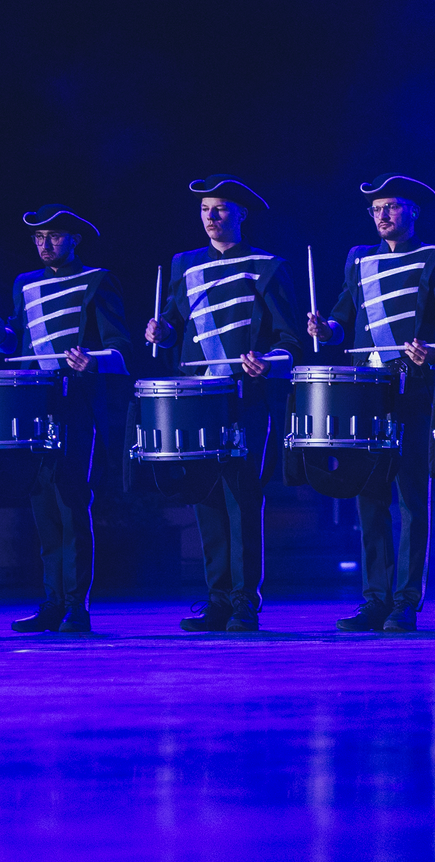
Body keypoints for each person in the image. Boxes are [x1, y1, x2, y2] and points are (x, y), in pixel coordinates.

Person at [143, 175, 304, 633]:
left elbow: (289, 340)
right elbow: (174, 326)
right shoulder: (184, 265)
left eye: (220, 209)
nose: (210, 217)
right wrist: (162, 332)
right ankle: (216, 600)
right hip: (196, 398)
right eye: (205, 210)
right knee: (204, 496)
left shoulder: (268, 266)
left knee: (241, 498)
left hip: (245, 396)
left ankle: (244, 602)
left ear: (241, 215)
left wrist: (268, 362)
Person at [308, 175, 435, 634]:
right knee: (367, 494)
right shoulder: (358, 260)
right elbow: (342, 318)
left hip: (412, 388)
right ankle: (375, 599)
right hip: (365, 390)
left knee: (412, 498)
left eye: (392, 207)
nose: (382, 216)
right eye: (376, 209)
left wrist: (434, 351)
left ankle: (406, 601)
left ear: (413, 212)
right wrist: (326, 331)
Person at [0, 204, 127, 634]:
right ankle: (51, 602)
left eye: (55, 237)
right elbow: (18, 342)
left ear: (74, 239)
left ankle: (76, 607)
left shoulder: (97, 281)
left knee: (71, 504)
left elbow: (121, 348)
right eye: (38, 238)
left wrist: (91, 363)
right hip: (34, 407)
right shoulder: (24, 284)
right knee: (42, 506)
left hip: (76, 405)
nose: (45, 245)